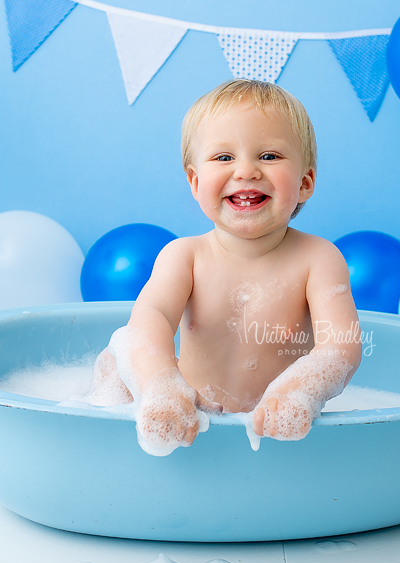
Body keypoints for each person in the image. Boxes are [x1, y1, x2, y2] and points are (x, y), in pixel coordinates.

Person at [88, 79, 363, 455]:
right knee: (116, 366)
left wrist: (302, 391)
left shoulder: (318, 259)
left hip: (273, 430)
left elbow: (341, 348)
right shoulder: (184, 256)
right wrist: (160, 385)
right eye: (224, 157)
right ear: (195, 181)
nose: (246, 171)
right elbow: (147, 322)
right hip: (192, 427)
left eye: (269, 156)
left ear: (305, 182)